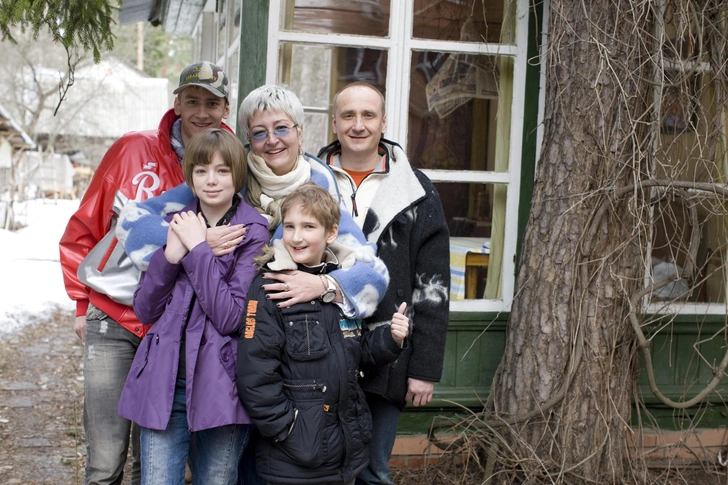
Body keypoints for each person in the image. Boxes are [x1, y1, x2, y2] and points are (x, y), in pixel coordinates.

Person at [113, 84, 390, 484]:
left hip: (297, 375)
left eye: (281, 128)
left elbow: (371, 272)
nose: (271, 140)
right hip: (235, 369)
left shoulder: (318, 188)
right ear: (247, 140)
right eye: (259, 132)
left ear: (300, 131)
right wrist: (197, 242)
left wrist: (327, 287)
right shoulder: (227, 178)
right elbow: (135, 222)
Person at [58, 61, 243, 485]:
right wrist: (81, 304)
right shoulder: (132, 150)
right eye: (191, 100)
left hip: (171, 327)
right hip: (114, 318)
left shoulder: (233, 162)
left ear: (226, 109)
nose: (201, 111)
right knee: (106, 459)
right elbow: (84, 228)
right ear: (176, 102)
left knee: (153, 461)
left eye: (211, 103)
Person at [116, 128, 269, 484]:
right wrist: (171, 255)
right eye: (201, 170)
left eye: (222, 170)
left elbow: (231, 316)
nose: (211, 180)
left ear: (237, 174)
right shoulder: (177, 224)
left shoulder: (254, 231)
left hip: (222, 384)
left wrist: (197, 248)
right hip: (166, 380)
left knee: (215, 478)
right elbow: (145, 309)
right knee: (156, 479)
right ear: (190, 176)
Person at [317, 81, 451, 485]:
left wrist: (424, 368)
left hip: (388, 355)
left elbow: (434, 285)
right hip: (316, 348)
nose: (359, 125)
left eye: (368, 115)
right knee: (318, 468)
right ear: (335, 123)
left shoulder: (416, 190)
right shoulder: (310, 180)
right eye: (349, 115)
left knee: (373, 471)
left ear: (383, 122)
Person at [235, 182, 409, 485]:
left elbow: (353, 355)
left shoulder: (337, 284)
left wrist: (390, 339)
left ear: (330, 233)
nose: (296, 236)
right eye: (289, 226)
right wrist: (288, 430)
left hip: (344, 452)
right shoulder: (270, 288)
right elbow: (254, 375)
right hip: (293, 458)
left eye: (308, 226)